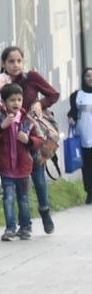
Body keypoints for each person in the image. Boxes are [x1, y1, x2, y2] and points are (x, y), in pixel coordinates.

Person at [0, 46, 59, 235]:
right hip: (7, 138)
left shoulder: (30, 78)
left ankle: (44, 210)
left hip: (29, 133)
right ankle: (17, 225)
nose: (15, 65)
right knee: (10, 186)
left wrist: (40, 103)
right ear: (3, 63)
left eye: (19, 61)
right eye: (11, 61)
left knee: (38, 176)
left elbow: (53, 94)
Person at [0, 82, 43, 241]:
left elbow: (39, 140)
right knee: (8, 198)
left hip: (23, 168)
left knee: (23, 199)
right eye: (12, 100)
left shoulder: (27, 120)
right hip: (6, 168)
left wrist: (28, 140)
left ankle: (25, 227)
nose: (16, 103)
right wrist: (1, 127)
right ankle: (10, 228)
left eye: (19, 99)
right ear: (4, 102)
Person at [66, 67, 92, 204]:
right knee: (87, 166)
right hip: (84, 136)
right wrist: (71, 118)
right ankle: (90, 192)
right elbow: (73, 112)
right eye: (88, 76)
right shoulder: (77, 95)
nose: (91, 78)